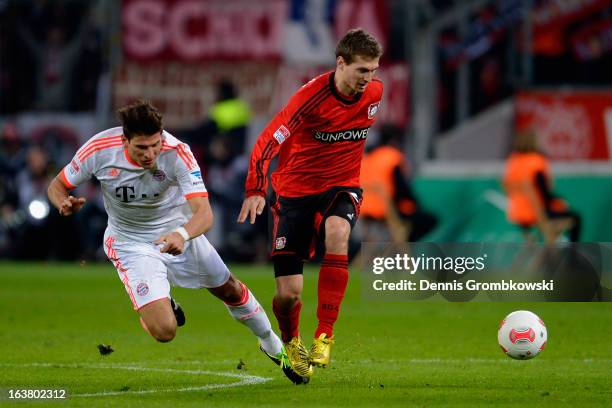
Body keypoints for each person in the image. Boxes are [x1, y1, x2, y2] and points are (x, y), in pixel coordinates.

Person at [47, 100, 304, 384]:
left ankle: (272, 344)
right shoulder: (99, 150)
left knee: (229, 290)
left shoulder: (177, 152)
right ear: (124, 140)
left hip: (180, 232)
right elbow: (57, 186)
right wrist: (63, 203)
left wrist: (182, 234)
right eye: (141, 147)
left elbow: (204, 214)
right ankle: (162, 300)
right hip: (131, 243)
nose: (150, 154)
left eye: (155, 145)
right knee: (164, 331)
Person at [237, 28, 383, 381]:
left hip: (341, 186)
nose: (369, 78)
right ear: (340, 63)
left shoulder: (374, 94)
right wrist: (256, 188)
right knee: (288, 294)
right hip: (294, 194)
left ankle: (324, 335)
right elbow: (268, 140)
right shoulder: (309, 99)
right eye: (362, 70)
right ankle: (290, 342)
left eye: (374, 70)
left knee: (338, 230)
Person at [359, 124, 438, 244]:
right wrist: (416, 204)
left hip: (364, 210)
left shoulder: (367, 157)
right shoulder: (391, 156)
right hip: (386, 210)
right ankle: (401, 247)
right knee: (429, 220)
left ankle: (394, 246)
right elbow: (402, 189)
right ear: (394, 141)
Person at [503, 131, 581, 243]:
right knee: (575, 218)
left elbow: (507, 186)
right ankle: (573, 255)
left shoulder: (513, 161)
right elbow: (542, 193)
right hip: (534, 213)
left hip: (517, 214)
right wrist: (557, 203)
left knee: (544, 233)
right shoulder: (536, 162)